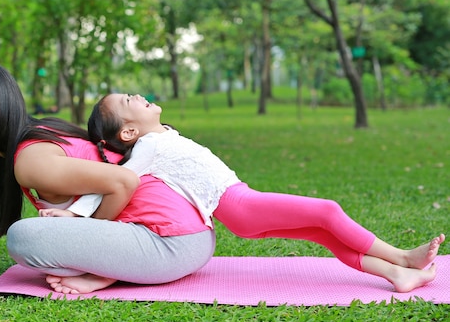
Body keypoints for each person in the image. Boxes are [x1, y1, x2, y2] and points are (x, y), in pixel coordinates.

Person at [41, 93, 445, 293]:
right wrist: (74, 214)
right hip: (237, 205)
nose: (138, 96)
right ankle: (401, 256)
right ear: (128, 131)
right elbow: (116, 180)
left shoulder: (162, 136)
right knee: (327, 210)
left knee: (320, 232)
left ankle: (395, 275)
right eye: (129, 100)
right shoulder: (146, 147)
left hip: (239, 201)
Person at [0, 62, 216, 295]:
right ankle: (108, 269)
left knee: (22, 239)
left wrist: (86, 226)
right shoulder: (41, 132)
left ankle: (104, 272)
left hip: (172, 243)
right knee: (51, 238)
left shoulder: (30, 160)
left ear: (5, 106)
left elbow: (123, 181)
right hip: (187, 237)